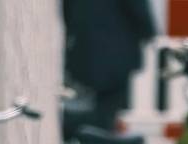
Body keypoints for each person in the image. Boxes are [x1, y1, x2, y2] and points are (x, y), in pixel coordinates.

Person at [62, 0, 156, 132]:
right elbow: (139, 11)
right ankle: (96, 137)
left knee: (90, 104)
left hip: (85, 48)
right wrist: (149, 32)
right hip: (118, 51)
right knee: (107, 110)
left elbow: (68, 10)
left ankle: (86, 136)